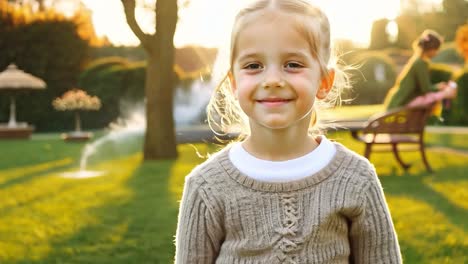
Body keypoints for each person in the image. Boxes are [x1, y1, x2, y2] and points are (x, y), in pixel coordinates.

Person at [175, 0, 402, 263]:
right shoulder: (206, 185)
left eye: (293, 64)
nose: (272, 80)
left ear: (324, 82)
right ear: (234, 83)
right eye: (253, 66)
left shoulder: (356, 179)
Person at [384, 29, 457, 110]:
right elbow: (425, 89)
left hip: (400, 101)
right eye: (436, 49)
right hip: (402, 102)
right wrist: (439, 87)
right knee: (437, 96)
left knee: (436, 96)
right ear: (431, 48)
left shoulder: (417, 61)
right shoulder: (420, 63)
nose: (437, 53)